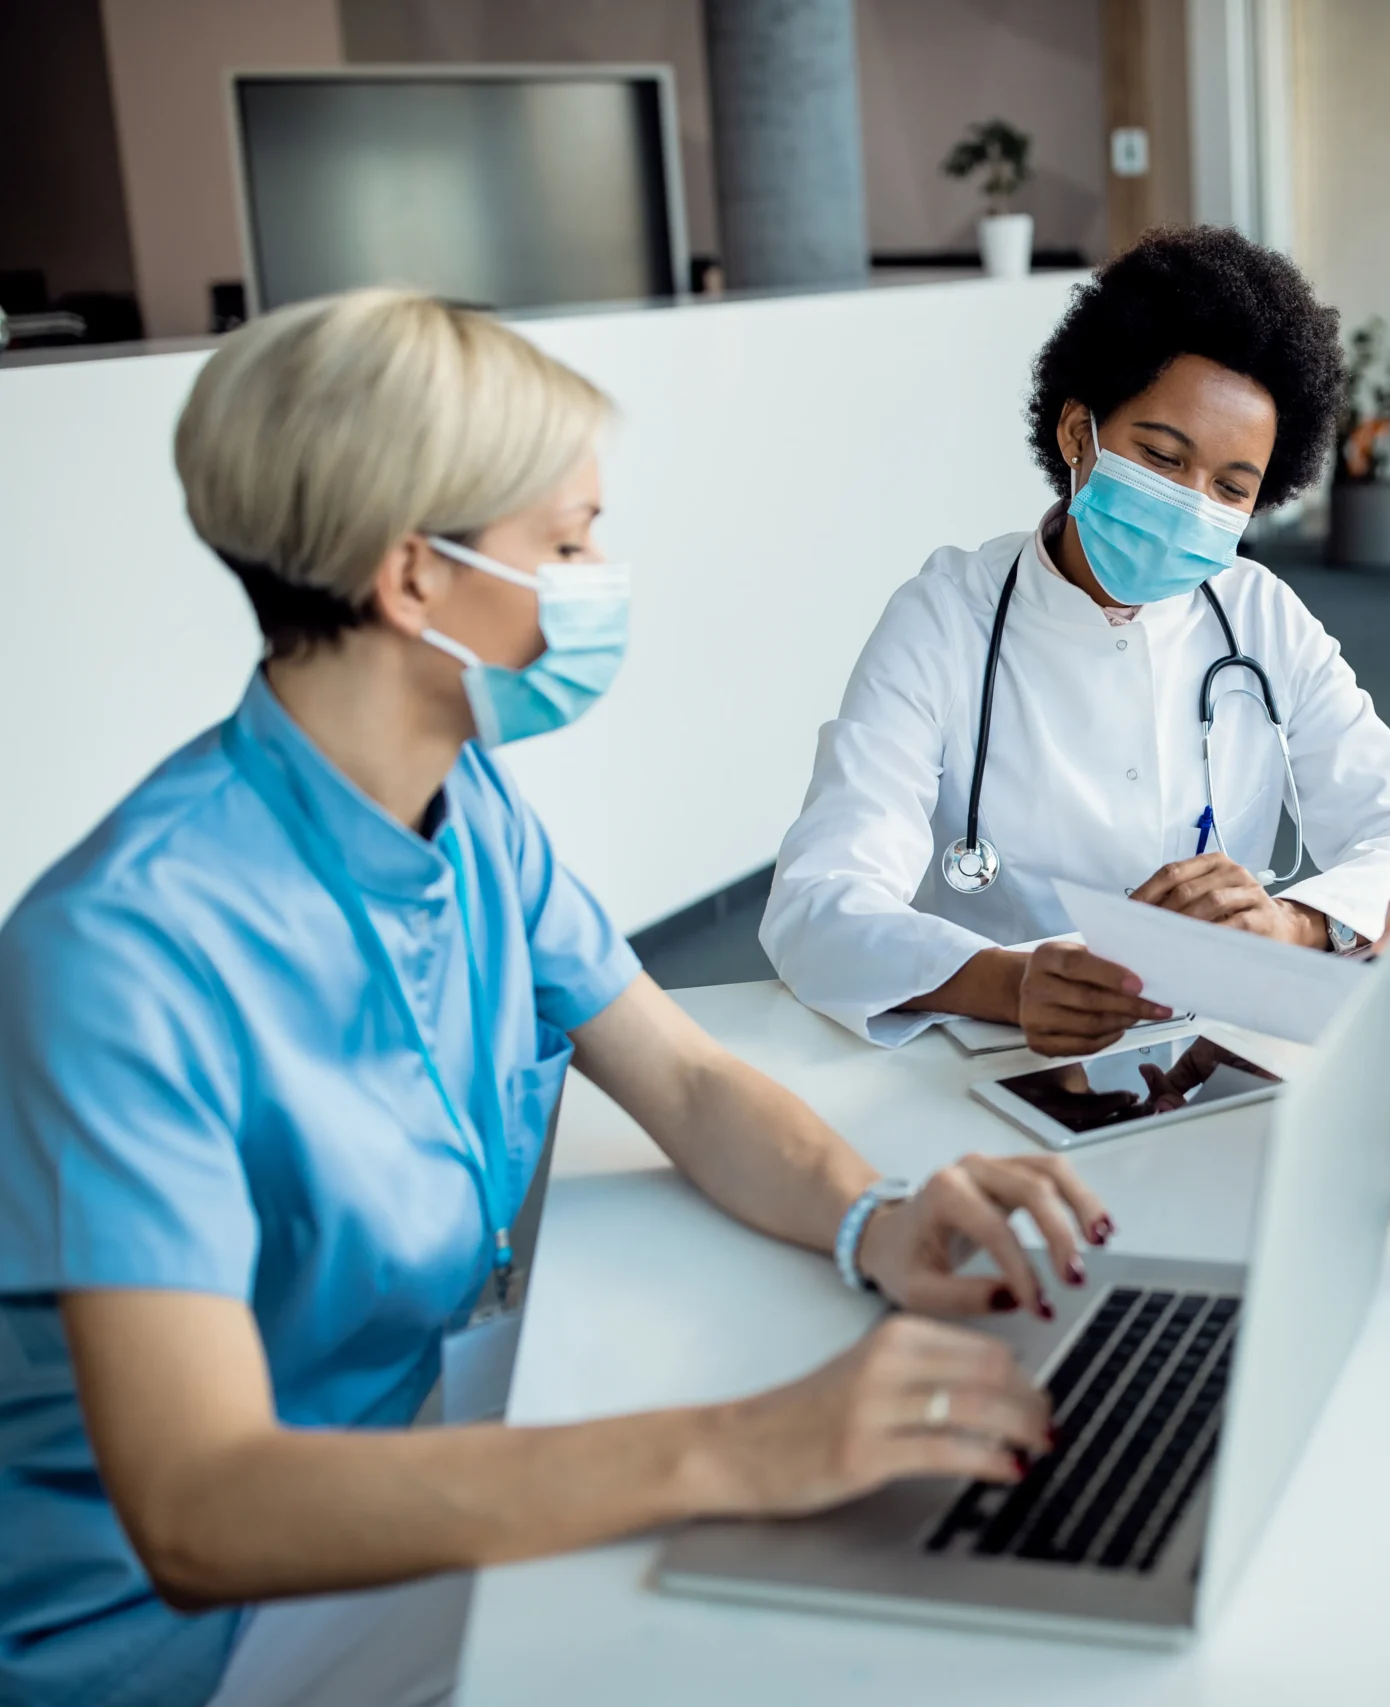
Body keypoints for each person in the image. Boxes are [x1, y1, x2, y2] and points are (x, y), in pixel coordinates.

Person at [0, 290, 1110, 1707]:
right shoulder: (126, 949)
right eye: (570, 541)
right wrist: (734, 1445)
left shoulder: (463, 809)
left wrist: (873, 1215)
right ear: (413, 579)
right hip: (178, 1630)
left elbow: (690, 1082)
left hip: (408, 1430)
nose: (604, 575)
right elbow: (202, 1508)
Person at [761, 226, 1390, 1056]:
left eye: (1231, 487)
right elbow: (819, 900)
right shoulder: (944, 617)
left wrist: (1290, 923)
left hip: (1221, 1045)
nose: (1193, 502)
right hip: (1000, 1051)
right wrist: (1009, 982)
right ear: (1077, 433)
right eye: (1161, 456)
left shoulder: (1261, 615)